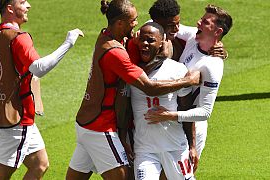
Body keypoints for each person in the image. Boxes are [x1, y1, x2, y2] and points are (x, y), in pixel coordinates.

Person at [65, 0, 200, 179]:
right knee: (124, 177)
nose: (137, 24)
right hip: (101, 126)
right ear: (120, 23)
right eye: (134, 20)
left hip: (86, 123)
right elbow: (148, 87)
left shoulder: (108, 36)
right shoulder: (115, 52)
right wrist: (186, 81)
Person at [0, 0, 83, 179]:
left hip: (9, 118)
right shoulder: (19, 37)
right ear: (10, 8)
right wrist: (68, 43)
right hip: (19, 120)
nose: (28, 6)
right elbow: (39, 68)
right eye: (22, 2)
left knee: (40, 164)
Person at [145, 4, 233, 159]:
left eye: (205, 22)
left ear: (218, 32)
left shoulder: (213, 66)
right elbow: (160, 24)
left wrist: (169, 115)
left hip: (192, 127)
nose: (198, 22)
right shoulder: (193, 36)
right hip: (172, 122)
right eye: (201, 18)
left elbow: (205, 112)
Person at [131, 22, 197, 180]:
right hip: (144, 149)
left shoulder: (177, 69)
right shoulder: (131, 71)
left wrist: (192, 145)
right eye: (142, 39)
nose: (145, 44)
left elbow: (186, 109)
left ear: (162, 42)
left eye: (151, 40)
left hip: (175, 147)